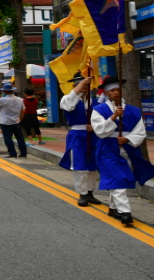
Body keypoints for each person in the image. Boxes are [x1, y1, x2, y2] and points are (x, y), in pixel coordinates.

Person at [91, 76, 154, 226]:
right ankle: (125, 212)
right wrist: (114, 117)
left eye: (118, 90)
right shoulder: (99, 110)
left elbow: (140, 132)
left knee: (118, 179)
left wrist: (127, 139)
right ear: (106, 93)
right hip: (107, 149)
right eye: (112, 90)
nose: (116, 92)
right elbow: (99, 131)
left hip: (128, 148)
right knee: (118, 178)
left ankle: (113, 207)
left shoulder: (134, 111)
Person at [58, 72, 101, 207]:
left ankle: (90, 192)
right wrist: (81, 84)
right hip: (77, 136)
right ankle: (82, 194)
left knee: (93, 166)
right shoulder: (67, 99)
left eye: (86, 85)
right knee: (79, 165)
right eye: (80, 85)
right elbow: (69, 105)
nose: (83, 87)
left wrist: (96, 126)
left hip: (94, 135)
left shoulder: (97, 102)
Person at [0, 83, 26, 158]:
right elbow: (23, 110)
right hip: (16, 121)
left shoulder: (2, 100)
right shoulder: (20, 99)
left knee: (8, 138)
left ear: (4, 91)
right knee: (20, 138)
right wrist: (20, 119)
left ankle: (12, 153)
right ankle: (23, 153)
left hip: (5, 122)